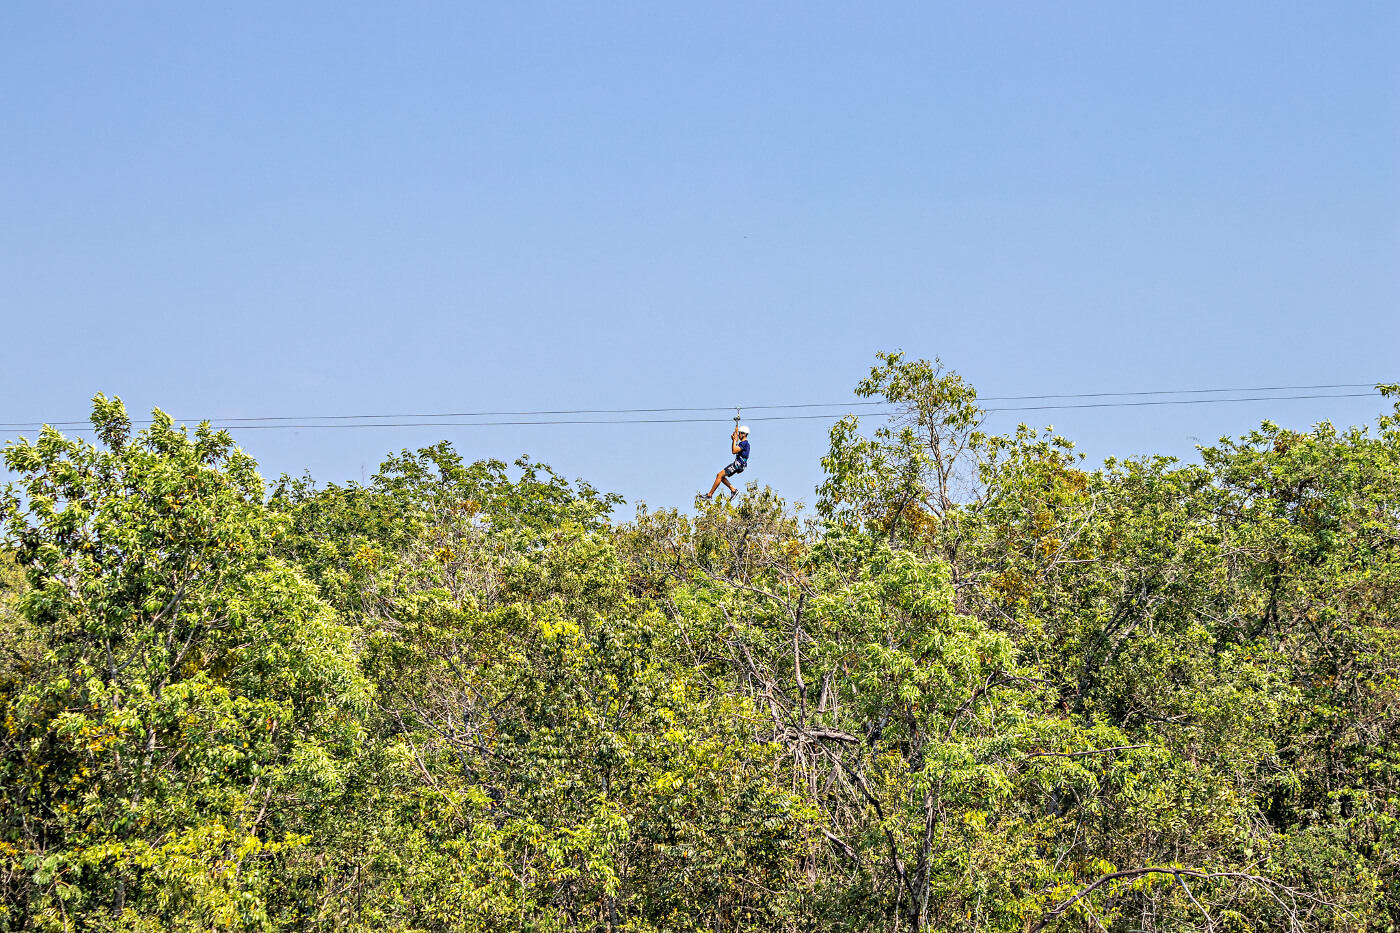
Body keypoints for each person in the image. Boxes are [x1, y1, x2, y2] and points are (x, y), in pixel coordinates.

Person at [702, 425, 750, 500]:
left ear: (743, 434)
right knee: (720, 476)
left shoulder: (744, 443)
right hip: (739, 464)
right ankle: (733, 490)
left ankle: (710, 495)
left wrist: (734, 440)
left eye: (740, 433)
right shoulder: (744, 444)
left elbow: (734, 451)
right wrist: (733, 440)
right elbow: (735, 448)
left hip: (738, 464)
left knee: (719, 475)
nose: (739, 435)